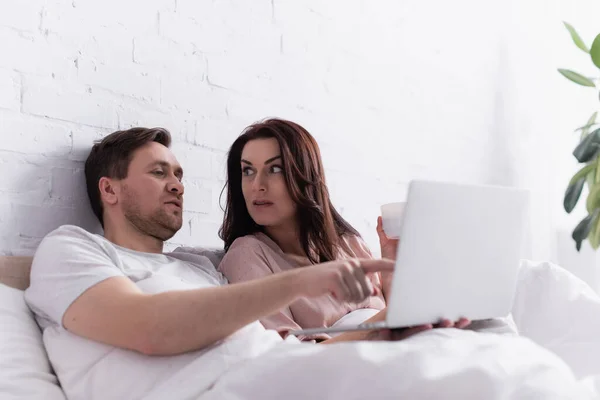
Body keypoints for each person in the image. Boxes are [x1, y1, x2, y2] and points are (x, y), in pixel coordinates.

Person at [23, 127, 588, 400]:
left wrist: (391, 331)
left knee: (491, 350)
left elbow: (294, 345)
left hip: (273, 366)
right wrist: (312, 279)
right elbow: (149, 329)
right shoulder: (71, 251)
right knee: (491, 380)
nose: (177, 185)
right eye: (158, 173)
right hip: (223, 387)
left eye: (179, 174)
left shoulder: (199, 263)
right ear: (110, 190)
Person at [218, 118, 448, 341]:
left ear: (305, 176)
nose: (257, 185)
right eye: (247, 171)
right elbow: (288, 354)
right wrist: (383, 324)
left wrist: (390, 260)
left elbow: (390, 309)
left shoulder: (347, 242)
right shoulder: (247, 254)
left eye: (275, 169)